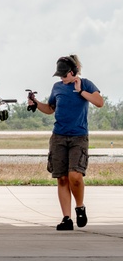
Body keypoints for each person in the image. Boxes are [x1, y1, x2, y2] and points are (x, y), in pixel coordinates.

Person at [30, 55, 104, 230]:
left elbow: (99, 102)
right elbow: (50, 109)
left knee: (75, 176)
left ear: (73, 72)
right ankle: (66, 219)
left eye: (64, 75)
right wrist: (36, 103)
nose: (62, 79)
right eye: (60, 76)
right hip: (59, 137)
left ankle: (80, 207)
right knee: (62, 178)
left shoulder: (86, 84)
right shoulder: (57, 87)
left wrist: (80, 92)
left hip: (79, 136)